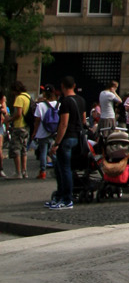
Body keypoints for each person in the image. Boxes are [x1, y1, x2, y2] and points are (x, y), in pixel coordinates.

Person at [46, 75, 84, 210]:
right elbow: (84, 120)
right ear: (74, 86)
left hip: (67, 138)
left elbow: (63, 124)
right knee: (62, 168)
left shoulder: (66, 102)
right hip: (77, 138)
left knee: (64, 169)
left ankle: (66, 198)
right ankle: (60, 196)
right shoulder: (81, 100)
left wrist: (56, 143)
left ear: (62, 86)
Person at [7, 82, 32, 179]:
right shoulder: (28, 97)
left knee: (16, 149)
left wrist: (9, 119)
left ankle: (18, 172)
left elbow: (18, 114)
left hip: (19, 126)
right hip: (26, 126)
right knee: (24, 150)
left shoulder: (19, 98)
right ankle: (24, 171)